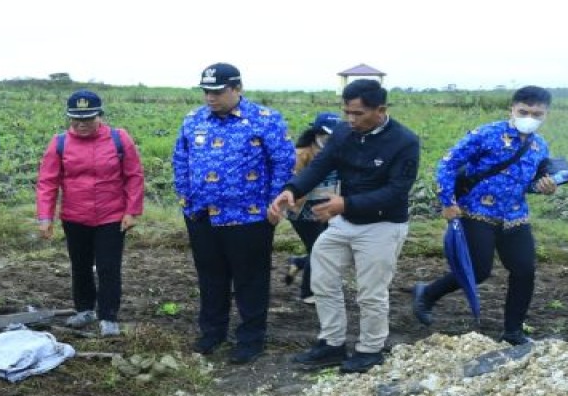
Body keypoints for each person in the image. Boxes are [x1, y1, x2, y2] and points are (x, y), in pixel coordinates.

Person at [269, 79, 420, 373]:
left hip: (382, 225)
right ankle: (332, 344)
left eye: (358, 113)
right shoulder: (342, 132)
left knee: (371, 292)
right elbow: (319, 166)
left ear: (381, 110)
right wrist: (293, 190)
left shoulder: (404, 141)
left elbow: (397, 191)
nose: (351, 119)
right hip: (343, 222)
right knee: (322, 278)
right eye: (347, 112)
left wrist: (346, 204)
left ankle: (370, 349)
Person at [411, 85, 560, 346]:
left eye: (537, 114)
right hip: (476, 212)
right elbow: (448, 163)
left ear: (546, 114)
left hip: (515, 216)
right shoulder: (487, 134)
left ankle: (513, 331)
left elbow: (524, 182)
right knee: (478, 271)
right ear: (512, 109)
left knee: (525, 271)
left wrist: (544, 187)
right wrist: (447, 201)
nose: (530, 118)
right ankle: (427, 293)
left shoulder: (540, 146)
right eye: (524, 111)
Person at [174, 63, 295, 364]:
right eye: (206, 91)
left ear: (237, 88)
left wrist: (274, 204)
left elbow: (283, 162)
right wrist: (186, 199)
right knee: (210, 277)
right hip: (203, 216)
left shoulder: (265, 119)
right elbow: (181, 158)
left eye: (217, 91)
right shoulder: (193, 120)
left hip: (250, 216)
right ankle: (212, 333)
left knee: (250, 280)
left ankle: (251, 339)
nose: (210, 98)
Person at [36, 90, 145, 337]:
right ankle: (84, 309)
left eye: (88, 118)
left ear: (100, 116)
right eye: (76, 119)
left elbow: (134, 175)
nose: (81, 124)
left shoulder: (119, 139)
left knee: (108, 266)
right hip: (75, 217)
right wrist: (45, 217)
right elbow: (48, 181)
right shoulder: (60, 142)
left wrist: (132, 210)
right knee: (80, 265)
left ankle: (108, 316)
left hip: (111, 216)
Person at [283, 111, 341, 304]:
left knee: (322, 248)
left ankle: (299, 263)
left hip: (327, 208)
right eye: (326, 135)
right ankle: (308, 292)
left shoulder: (338, 152)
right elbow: (292, 181)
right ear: (316, 133)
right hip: (302, 210)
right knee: (318, 249)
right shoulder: (302, 154)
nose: (329, 139)